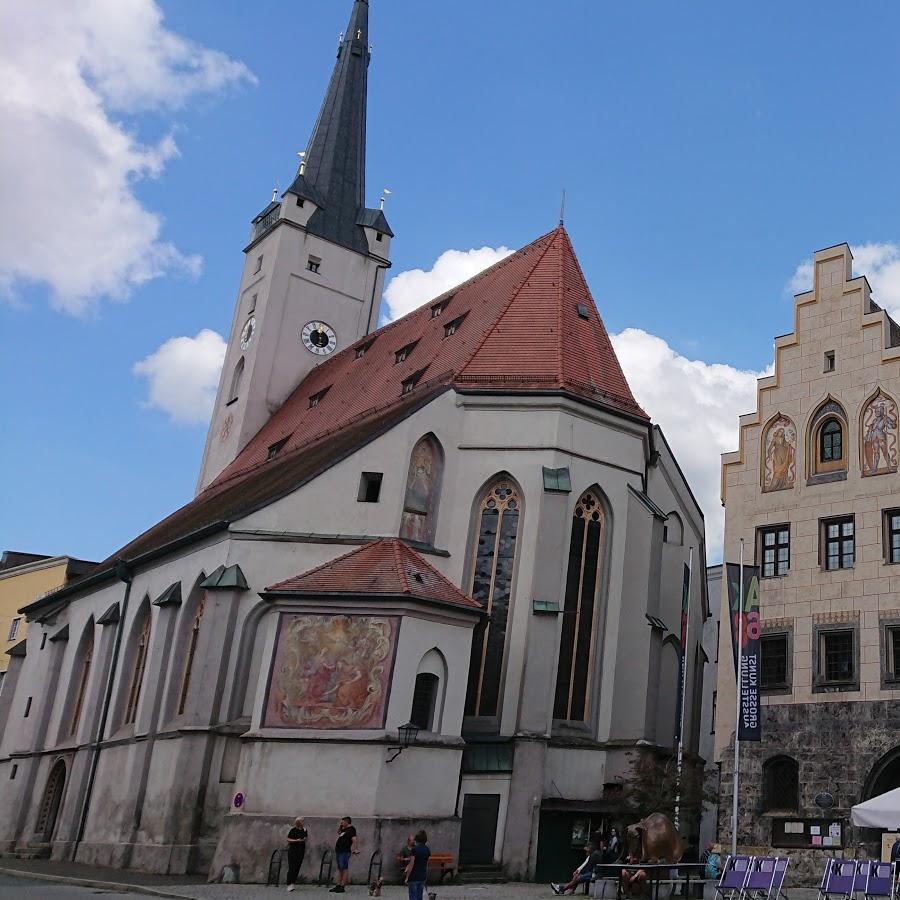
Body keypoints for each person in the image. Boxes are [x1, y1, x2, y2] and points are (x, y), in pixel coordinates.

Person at [330, 815, 358, 893]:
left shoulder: (351, 829)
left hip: (345, 851)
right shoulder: (344, 830)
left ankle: (342, 886)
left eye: (342, 822)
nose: (341, 823)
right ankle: (338, 884)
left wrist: (355, 849)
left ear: (347, 821)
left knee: (344, 868)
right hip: (339, 851)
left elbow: (354, 839)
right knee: (340, 868)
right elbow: (338, 833)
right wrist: (341, 827)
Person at [404, 829, 431, 900]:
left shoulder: (415, 849)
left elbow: (411, 864)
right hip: (422, 876)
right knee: (419, 897)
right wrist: (425, 876)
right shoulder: (427, 850)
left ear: (417, 839)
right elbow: (426, 864)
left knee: (413, 897)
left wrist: (407, 877)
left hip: (414, 877)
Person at [285, 817, 308, 892]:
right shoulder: (293, 830)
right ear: (298, 822)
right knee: (292, 867)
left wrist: (304, 839)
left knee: (297, 867)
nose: (303, 822)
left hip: (301, 851)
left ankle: (293, 883)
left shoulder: (304, 829)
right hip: (293, 851)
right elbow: (288, 839)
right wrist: (296, 840)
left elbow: (306, 837)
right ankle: (289, 883)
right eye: (302, 821)